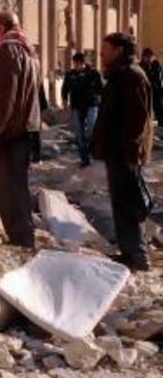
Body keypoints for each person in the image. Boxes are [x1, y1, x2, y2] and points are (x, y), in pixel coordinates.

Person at [91, 33, 154, 271]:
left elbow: (137, 120)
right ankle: (129, 252)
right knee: (121, 202)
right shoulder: (121, 75)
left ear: (118, 50)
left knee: (128, 203)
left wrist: (130, 153)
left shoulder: (131, 76)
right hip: (117, 152)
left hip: (125, 153)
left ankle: (138, 255)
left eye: (105, 49)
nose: (101, 54)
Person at [0, 11, 41, 249]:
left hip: (10, 133)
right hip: (23, 130)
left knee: (8, 189)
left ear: (2, 28)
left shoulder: (6, 52)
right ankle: (23, 237)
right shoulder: (27, 51)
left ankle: (20, 242)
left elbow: (3, 98)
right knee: (17, 186)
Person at [61, 52, 104, 167]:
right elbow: (65, 89)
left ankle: (94, 151)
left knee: (91, 129)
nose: (75, 66)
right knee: (79, 133)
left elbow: (101, 89)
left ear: (83, 63)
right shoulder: (70, 74)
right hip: (77, 106)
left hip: (91, 105)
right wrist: (65, 102)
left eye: (78, 63)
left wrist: (102, 103)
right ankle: (84, 158)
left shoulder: (93, 73)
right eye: (74, 63)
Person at [140, 48, 163, 123]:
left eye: (150, 57)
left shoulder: (155, 64)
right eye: (147, 57)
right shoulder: (141, 65)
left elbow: (158, 77)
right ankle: (147, 121)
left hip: (156, 88)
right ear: (144, 57)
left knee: (158, 105)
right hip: (146, 89)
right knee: (146, 106)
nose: (149, 59)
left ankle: (161, 120)